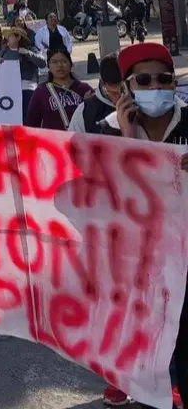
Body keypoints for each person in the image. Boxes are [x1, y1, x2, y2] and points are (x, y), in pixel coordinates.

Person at [97, 42, 188, 409]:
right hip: (139, 268)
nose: (155, 88)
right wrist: (127, 140)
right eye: (145, 80)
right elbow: (104, 198)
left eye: (163, 79)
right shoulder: (102, 133)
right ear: (128, 87)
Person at [25, 49, 91, 129]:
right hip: (53, 141)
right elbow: (31, 125)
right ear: (48, 67)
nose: (60, 65)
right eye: (54, 62)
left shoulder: (84, 89)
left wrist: (91, 104)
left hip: (80, 139)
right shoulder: (41, 92)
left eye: (64, 61)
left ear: (71, 65)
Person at [67, 52, 122, 134]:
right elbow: (74, 143)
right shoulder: (85, 111)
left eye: (124, 91)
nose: (120, 98)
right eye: (114, 93)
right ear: (102, 84)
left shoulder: (140, 104)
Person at [0, 26, 47, 116]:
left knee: (27, 116)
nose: (8, 38)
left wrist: (28, 53)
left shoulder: (31, 50)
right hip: (10, 89)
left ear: (18, 37)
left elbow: (43, 63)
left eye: (11, 36)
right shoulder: (4, 52)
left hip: (27, 89)